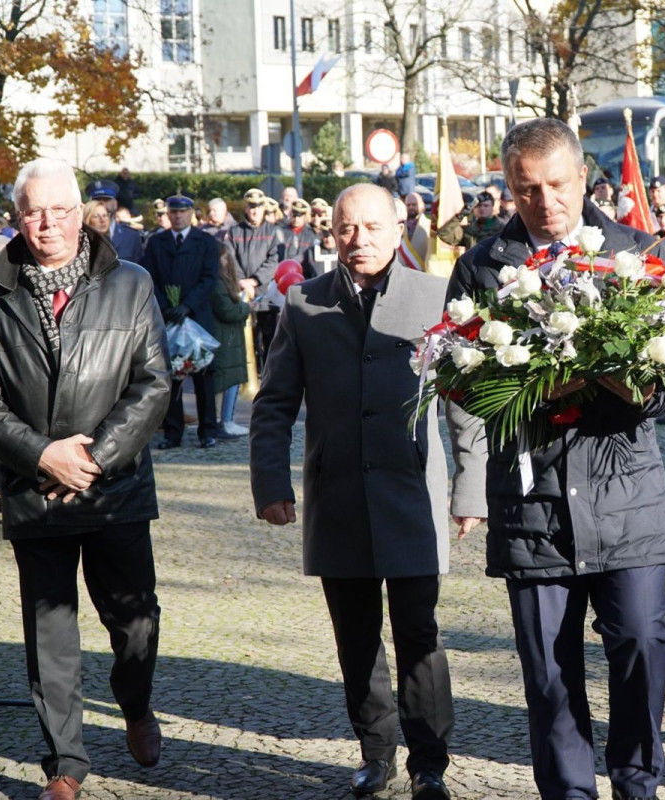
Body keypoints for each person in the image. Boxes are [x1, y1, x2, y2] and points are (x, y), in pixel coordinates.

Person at [447, 117, 665, 800]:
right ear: (508, 188)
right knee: (548, 672)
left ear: (583, 178)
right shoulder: (482, 266)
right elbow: (462, 382)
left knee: (642, 644)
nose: (543, 202)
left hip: (625, 493)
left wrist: (634, 383)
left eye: (555, 185)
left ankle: (638, 784)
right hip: (532, 502)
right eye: (526, 189)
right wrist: (535, 386)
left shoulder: (638, 253)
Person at [0, 157, 170, 800]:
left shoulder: (131, 282)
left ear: (81, 214)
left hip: (116, 487)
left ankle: (136, 703)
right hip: (35, 492)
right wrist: (42, 456)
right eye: (34, 212)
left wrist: (94, 458)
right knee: (49, 630)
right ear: (16, 218)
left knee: (134, 621)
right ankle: (65, 763)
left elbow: (153, 383)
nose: (47, 222)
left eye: (59, 210)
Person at [251, 183, 454, 800]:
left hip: (412, 493)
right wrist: (270, 483)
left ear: (398, 229)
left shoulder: (434, 297)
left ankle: (429, 763)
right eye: (346, 227)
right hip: (337, 493)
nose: (358, 238)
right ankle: (376, 752)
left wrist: (472, 490)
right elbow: (274, 403)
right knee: (356, 636)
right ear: (331, 232)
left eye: (371, 226)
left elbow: (467, 400)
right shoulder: (304, 302)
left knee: (419, 632)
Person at [142, 195, 220, 450]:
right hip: (167, 317)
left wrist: (187, 305)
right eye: (173, 212)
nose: (177, 216)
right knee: (170, 377)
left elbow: (210, 279)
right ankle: (172, 432)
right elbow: (148, 276)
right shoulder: (157, 242)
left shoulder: (206, 241)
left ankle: (208, 431)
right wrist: (166, 306)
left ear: (191, 214)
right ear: (168, 214)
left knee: (204, 378)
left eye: (182, 212)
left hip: (197, 317)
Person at [224, 187, 281, 363]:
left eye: (258, 206)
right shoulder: (234, 231)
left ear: (264, 208)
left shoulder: (272, 231)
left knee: (269, 341)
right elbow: (229, 259)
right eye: (251, 206)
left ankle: (267, 374)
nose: (255, 211)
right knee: (246, 342)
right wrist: (242, 281)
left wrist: (255, 281)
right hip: (241, 293)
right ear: (246, 208)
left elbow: (274, 260)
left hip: (265, 295)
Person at [209, 243, 250, 439]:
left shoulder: (219, 282)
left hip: (228, 339)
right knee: (226, 381)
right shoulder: (217, 283)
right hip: (225, 340)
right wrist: (246, 307)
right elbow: (229, 311)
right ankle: (223, 422)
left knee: (229, 381)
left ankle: (225, 420)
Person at [86, 179, 144, 263]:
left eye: (106, 199)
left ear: (116, 204)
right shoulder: (81, 237)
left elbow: (140, 267)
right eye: (97, 200)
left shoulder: (131, 236)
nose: (102, 204)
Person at [436, 192, 501, 250]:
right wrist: (460, 216)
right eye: (478, 206)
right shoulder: (469, 229)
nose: (482, 208)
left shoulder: (501, 229)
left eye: (486, 206)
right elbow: (443, 234)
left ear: (492, 207)